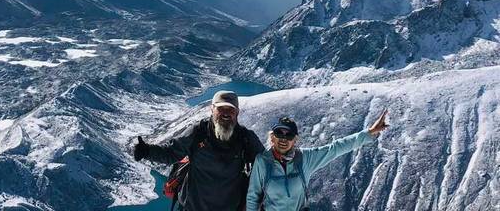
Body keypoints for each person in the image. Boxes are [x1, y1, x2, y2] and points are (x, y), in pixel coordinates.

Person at [133, 90, 265, 211]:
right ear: (212, 109)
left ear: (237, 112)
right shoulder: (198, 133)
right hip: (192, 207)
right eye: (221, 108)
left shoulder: (246, 138)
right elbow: (171, 152)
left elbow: (265, 165)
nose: (226, 113)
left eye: (230, 109)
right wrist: (147, 151)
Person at [246, 110, 390, 211]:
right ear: (272, 137)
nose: (283, 139)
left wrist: (370, 132)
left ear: (295, 140)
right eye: (279, 134)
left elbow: (335, 149)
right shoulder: (262, 162)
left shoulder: (305, 159)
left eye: (289, 135)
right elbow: (253, 196)